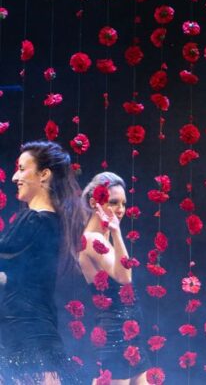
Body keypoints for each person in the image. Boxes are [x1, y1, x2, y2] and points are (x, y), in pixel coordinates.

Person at [0, 140, 87, 384]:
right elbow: (15, 276)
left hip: (26, 334)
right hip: (28, 331)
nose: (15, 177)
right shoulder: (53, 221)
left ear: (44, 175)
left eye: (22, 169)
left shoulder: (34, 220)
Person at [79, 172, 150, 384]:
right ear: (94, 203)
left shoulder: (101, 237)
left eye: (123, 204)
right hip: (115, 335)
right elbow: (124, 276)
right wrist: (117, 233)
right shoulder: (92, 239)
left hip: (128, 335)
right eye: (113, 202)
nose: (120, 210)